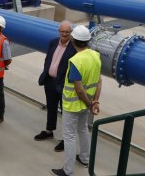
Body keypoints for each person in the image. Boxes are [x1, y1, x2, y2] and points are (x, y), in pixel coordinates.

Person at [51, 25, 102, 176]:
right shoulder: (95, 56)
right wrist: (95, 102)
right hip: (88, 103)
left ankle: (68, 171)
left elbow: (79, 89)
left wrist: (88, 103)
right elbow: (99, 81)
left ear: (73, 40)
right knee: (83, 129)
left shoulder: (75, 61)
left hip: (73, 105)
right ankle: (85, 159)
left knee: (69, 136)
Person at [35, 21, 76, 152]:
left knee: (66, 112)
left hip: (64, 85)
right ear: (58, 31)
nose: (64, 34)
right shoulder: (53, 42)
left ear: (71, 33)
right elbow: (48, 59)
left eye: (67, 32)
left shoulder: (74, 48)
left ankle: (66, 139)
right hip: (50, 81)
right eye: (62, 31)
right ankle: (49, 130)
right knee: (51, 107)